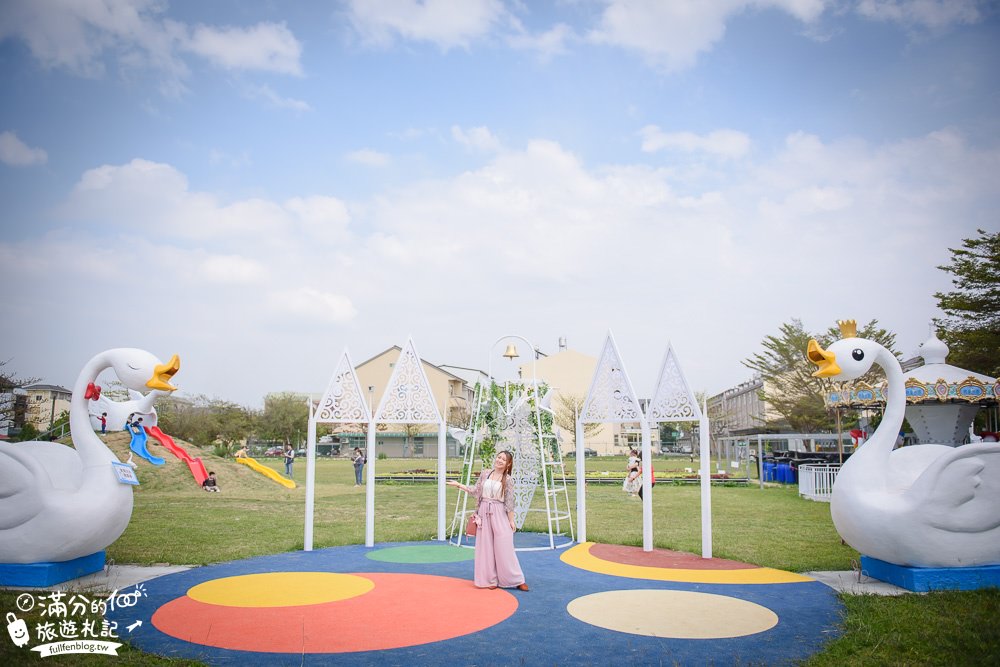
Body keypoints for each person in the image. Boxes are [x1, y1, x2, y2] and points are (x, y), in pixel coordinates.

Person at [447, 451, 528, 591]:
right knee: (486, 548)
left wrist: (511, 521)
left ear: (508, 464)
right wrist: (459, 485)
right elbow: (475, 491)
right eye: (498, 457)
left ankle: (516, 579)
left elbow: (509, 501)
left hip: (499, 513)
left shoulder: (508, 479)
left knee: (504, 547)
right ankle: (490, 579)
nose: (500, 460)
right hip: (484, 512)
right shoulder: (485, 473)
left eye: (503, 459)